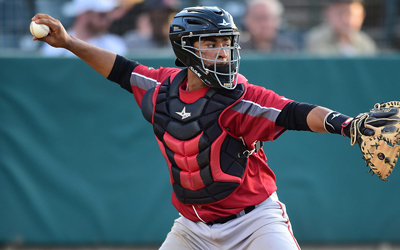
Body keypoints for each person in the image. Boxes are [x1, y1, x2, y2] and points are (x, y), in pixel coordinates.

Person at [32, 6, 376, 250]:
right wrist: (69, 42)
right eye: (211, 44)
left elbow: (295, 112)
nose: (223, 52)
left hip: (254, 223)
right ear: (185, 49)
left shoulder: (240, 96)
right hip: (192, 230)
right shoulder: (160, 88)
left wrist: (348, 125)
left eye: (226, 43)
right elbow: (120, 69)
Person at [41, 0, 128, 57]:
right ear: (84, 15)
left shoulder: (115, 46)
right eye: (102, 15)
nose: (107, 20)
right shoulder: (54, 47)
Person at [304, 0, 377, 56]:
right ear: (327, 13)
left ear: (362, 15)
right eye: (340, 13)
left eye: (351, 14)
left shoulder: (366, 43)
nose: (346, 19)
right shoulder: (315, 40)